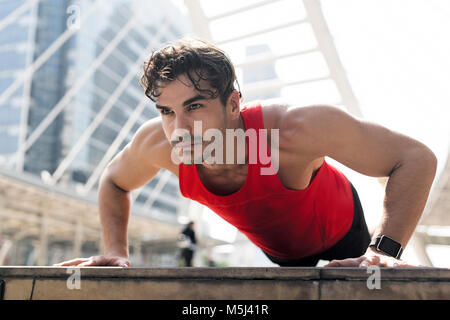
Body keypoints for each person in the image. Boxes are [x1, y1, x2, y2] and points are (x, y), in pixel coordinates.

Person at [54, 37, 437, 268]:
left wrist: (383, 250)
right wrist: (116, 251)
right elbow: (114, 181)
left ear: (233, 103)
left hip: (342, 228)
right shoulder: (157, 144)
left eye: (195, 106)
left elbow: (415, 157)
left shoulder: (295, 129)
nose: (180, 128)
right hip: (281, 254)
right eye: (166, 111)